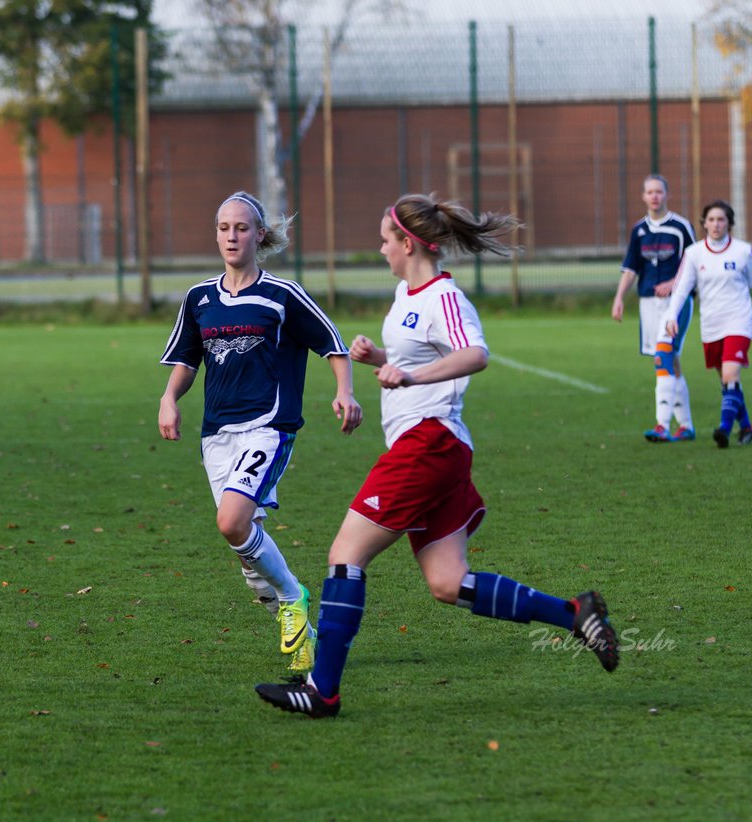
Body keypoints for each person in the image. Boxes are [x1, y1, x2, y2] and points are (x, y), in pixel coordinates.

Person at [255, 193, 618, 719]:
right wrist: (379, 359)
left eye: (385, 240)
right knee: (448, 583)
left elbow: (475, 354)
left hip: (428, 444)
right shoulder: (407, 293)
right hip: (433, 450)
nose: (381, 249)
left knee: (344, 556)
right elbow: (412, 358)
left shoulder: (443, 296)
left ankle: (322, 689)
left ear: (408, 242)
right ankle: (575, 613)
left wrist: (411, 375)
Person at [158, 190, 362, 674]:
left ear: (260, 235)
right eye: (224, 228)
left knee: (231, 522)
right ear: (216, 235)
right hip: (216, 435)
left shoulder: (282, 295)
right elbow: (187, 358)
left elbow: (333, 344)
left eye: (242, 228)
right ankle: (304, 636)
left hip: (268, 427)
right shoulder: (199, 298)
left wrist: (345, 392)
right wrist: (169, 398)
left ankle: (294, 597)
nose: (233, 236)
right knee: (247, 553)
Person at [662, 200, 752, 449]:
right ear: (704, 224)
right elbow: (681, 288)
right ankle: (746, 426)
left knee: (732, 374)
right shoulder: (694, 253)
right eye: (711, 219)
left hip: (739, 320)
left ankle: (723, 428)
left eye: (721, 219)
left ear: (729, 223)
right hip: (711, 323)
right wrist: (671, 316)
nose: (716, 224)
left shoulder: (743, 251)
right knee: (726, 380)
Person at [612, 175, 697, 442]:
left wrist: (674, 283)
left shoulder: (681, 227)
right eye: (649, 192)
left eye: (659, 191)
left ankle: (662, 425)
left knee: (663, 357)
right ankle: (687, 426)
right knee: (671, 361)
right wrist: (619, 297)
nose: (654, 196)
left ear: (667, 194)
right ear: (643, 196)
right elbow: (631, 268)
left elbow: (695, 265)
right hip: (648, 303)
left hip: (676, 303)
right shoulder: (639, 230)